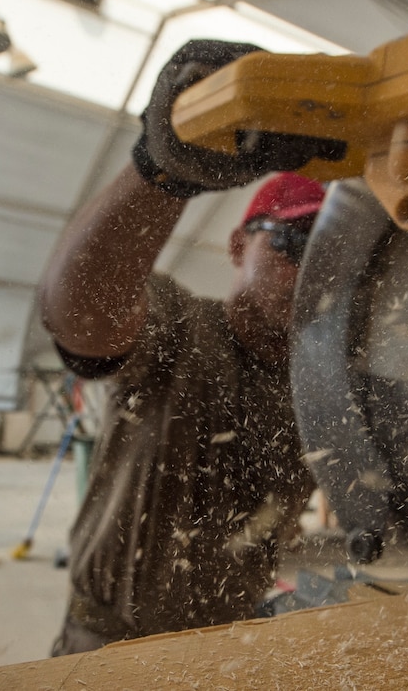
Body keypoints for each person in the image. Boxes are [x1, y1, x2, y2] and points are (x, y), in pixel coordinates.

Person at [39, 39, 326, 655]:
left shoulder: (328, 385)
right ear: (237, 245)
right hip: (110, 648)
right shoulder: (181, 327)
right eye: (295, 246)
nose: (309, 276)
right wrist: (162, 173)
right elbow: (80, 319)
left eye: (332, 259)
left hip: (233, 641)